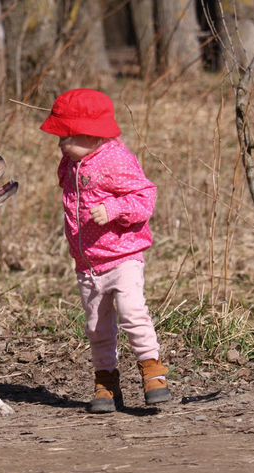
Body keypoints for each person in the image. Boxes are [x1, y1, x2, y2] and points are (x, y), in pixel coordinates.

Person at [40, 88, 171, 413]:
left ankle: (152, 371)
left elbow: (145, 198)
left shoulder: (116, 159)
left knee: (131, 311)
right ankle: (106, 382)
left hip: (123, 255)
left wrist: (113, 209)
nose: (59, 144)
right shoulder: (71, 162)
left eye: (65, 136)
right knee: (97, 326)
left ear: (91, 135)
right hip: (88, 262)